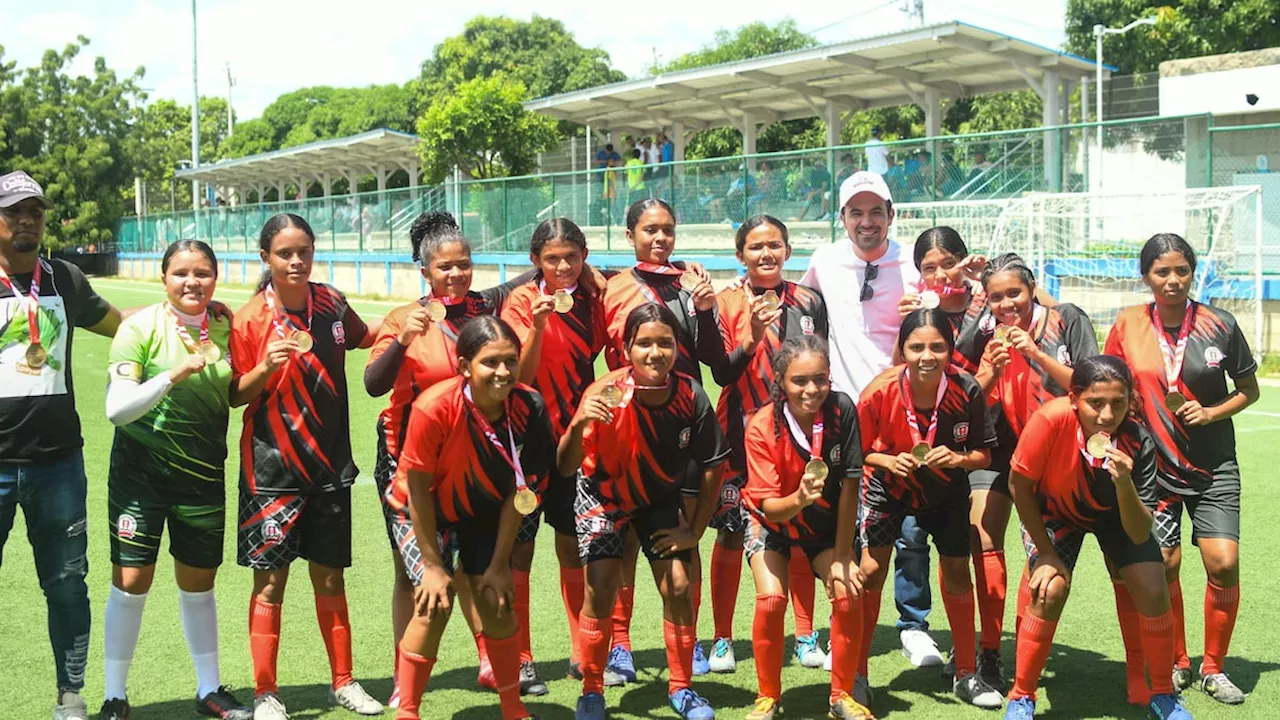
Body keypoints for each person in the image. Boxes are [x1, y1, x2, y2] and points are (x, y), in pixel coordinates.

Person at [363, 211, 526, 705]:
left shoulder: (484, 309)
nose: (455, 275)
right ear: (425, 271)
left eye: (464, 265)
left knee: (470, 564)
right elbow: (374, 385)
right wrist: (406, 338)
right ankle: (403, 677)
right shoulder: (405, 317)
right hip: (408, 462)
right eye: (444, 268)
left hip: (476, 459)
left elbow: (532, 274)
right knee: (414, 575)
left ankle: (486, 660)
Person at [229, 213, 382, 720]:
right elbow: (234, 395)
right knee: (269, 584)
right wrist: (263, 368)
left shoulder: (332, 302)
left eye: (304, 251)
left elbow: (364, 336)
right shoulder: (251, 318)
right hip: (271, 473)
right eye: (284, 253)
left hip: (330, 470)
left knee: (331, 580)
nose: (296, 261)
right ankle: (265, 694)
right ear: (266, 258)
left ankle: (344, 682)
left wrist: (409, 317)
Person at [0, 171, 136, 720]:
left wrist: (184, 319)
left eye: (35, 211)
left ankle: (70, 697)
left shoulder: (65, 280)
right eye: (14, 212)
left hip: (58, 463)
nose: (26, 220)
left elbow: (120, 327)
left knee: (66, 585)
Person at [97, 240, 251, 720]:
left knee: (199, 584)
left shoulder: (225, 324)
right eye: (181, 273)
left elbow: (233, 391)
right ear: (164, 278)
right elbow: (116, 409)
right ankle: (114, 696)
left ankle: (209, 690)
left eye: (203, 273)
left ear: (215, 277)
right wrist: (171, 376)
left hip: (203, 477)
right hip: (139, 481)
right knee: (130, 582)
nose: (192, 282)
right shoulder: (138, 327)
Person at [1104, 233, 1259, 705]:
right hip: (1155, 470)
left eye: (1181, 271)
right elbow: (1109, 383)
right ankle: (1177, 660)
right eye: (1161, 272)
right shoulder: (1128, 324)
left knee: (1223, 564)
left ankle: (1215, 668)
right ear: (1146, 276)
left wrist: (1212, 413)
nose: (1172, 281)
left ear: (1193, 272)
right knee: (1166, 566)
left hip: (1213, 467)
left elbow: (1249, 389)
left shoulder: (1220, 324)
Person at [559, 303, 729, 720]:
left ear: (677, 347)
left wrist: (694, 530)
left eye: (665, 343)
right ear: (626, 348)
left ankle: (682, 688)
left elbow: (712, 467)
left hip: (657, 500)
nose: (656, 352)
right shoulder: (605, 392)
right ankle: (593, 690)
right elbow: (564, 467)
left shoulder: (691, 395)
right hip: (603, 497)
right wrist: (580, 422)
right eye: (645, 343)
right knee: (600, 587)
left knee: (678, 585)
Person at [800, 172, 941, 672]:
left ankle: (914, 626)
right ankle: (846, 624)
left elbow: (943, 317)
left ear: (891, 214)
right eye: (855, 212)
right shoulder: (824, 261)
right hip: (842, 411)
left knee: (911, 527)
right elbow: (799, 308)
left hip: (907, 410)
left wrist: (929, 302)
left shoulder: (911, 263)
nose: (867, 221)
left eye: (875, 211)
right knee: (847, 521)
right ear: (842, 218)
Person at [1003, 356, 1192, 720]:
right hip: (1055, 514)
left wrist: (1123, 483)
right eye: (1096, 403)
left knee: (1154, 589)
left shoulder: (1137, 440)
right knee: (1050, 589)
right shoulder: (1051, 419)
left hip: (1115, 517)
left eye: (1118, 403)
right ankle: (1022, 695)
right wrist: (1045, 554)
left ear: (1129, 401)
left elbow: (1138, 530)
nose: (1107, 415)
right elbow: (1019, 486)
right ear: (1074, 399)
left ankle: (1162, 694)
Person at [389, 316, 556, 720]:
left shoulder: (529, 406)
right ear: (465, 366)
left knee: (498, 602)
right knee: (434, 603)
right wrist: (432, 566)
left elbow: (520, 494)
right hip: (423, 513)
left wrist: (500, 565)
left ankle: (512, 708)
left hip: (487, 513)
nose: (503, 372)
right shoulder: (433, 408)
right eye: (490, 362)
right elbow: (417, 492)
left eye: (511, 361)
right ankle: (407, 710)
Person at [599, 199, 721, 684]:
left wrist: (707, 310)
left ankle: (686, 646)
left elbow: (715, 359)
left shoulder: (692, 282)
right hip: (628, 429)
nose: (660, 238)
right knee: (626, 538)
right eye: (650, 230)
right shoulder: (610, 287)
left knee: (687, 534)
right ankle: (621, 646)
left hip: (685, 428)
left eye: (667, 230)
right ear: (630, 235)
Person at [856, 309, 1003, 710]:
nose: (927, 356)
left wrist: (957, 459)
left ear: (950, 349)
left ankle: (966, 673)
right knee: (871, 572)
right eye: (916, 347)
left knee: (957, 572)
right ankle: (857, 675)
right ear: (901, 350)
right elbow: (857, 454)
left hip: (947, 495)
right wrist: (889, 461)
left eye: (937, 347)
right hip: (888, 490)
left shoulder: (967, 389)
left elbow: (983, 455)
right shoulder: (880, 391)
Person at [970, 252, 1099, 690]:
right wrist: (990, 374)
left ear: (1032, 290)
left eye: (1015, 294)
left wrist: (1037, 355)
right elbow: (972, 399)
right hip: (1016, 457)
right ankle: (1004, 657)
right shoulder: (991, 335)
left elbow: (1093, 388)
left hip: (1068, 458)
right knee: (1008, 547)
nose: (1007, 305)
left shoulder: (1066, 320)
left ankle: (1029, 658)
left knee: (1047, 560)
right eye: (996, 298)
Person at [707, 216, 830, 674]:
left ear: (788, 250)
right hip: (739, 434)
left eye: (774, 245)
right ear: (741, 255)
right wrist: (754, 336)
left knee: (797, 530)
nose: (766, 254)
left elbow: (821, 368)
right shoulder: (726, 303)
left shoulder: (809, 301)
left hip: (796, 435)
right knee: (731, 529)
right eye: (756, 247)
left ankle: (804, 635)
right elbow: (722, 372)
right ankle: (721, 639)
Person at [499, 218, 608, 686]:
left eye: (572, 257)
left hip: (576, 438)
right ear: (534, 262)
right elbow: (517, 377)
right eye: (552, 259)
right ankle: (521, 657)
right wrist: (539, 326)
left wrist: (596, 279)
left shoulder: (591, 300)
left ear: (583, 256)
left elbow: (602, 353)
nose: (563, 266)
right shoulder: (521, 302)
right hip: (525, 441)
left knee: (573, 545)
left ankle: (581, 650)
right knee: (519, 550)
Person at [741, 335, 867, 720]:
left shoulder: (842, 410)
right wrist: (799, 499)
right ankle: (768, 697)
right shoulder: (762, 426)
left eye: (820, 379)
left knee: (847, 593)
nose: (812, 390)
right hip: (772, 523)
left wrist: (844, 558)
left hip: (827, 528)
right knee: (771, 600)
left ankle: (841, 696)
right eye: (800, 381)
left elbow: (850, 486)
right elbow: (769, 508)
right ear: (780, 381)